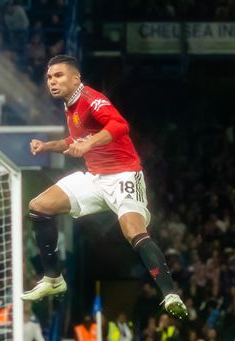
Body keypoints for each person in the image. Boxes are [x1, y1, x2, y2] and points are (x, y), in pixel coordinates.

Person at [19, 55, 186, 319]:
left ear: (76, 79)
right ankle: (53, 278)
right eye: (50, 77)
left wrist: (88, 145)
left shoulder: (91, 99)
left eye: (59, 75)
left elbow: (120, 126)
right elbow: (75, 139)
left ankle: (169, 294)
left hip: (124, 176)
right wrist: (47, 146)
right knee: (38, 206)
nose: (52, 81)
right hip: (94, 177)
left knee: (133, 231)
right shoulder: (70, 104)